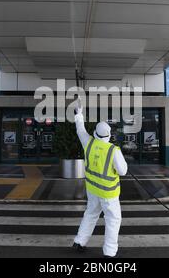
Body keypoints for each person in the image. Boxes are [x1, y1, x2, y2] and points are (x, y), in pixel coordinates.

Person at [72, 102, 128, 258]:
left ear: (95, 133)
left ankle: (79, 241)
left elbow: (80, 129)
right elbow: (123, 171)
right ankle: (109, 252)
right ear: (109, 135)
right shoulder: (113, 150)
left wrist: (79, 114)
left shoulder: (88, 143)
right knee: (113, 220)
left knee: (90, 214)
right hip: (108, 194)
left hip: (92, 190)